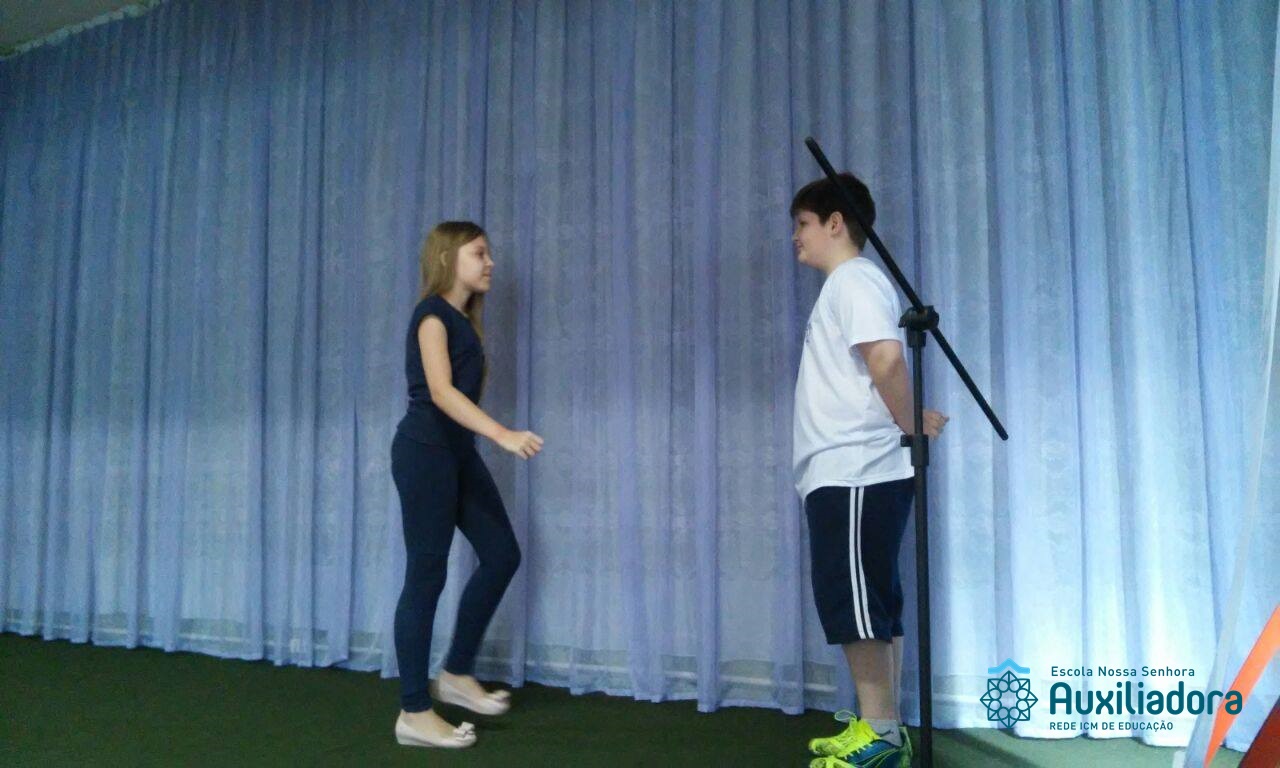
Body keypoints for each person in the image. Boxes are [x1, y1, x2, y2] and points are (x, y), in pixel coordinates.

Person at [790, 175, 948, 768]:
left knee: (855, 601)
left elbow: (885, 358)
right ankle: (882, 727)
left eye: (804, 224)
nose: (796, 237)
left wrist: (907, 423)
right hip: (852, 468)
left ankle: (880, 736)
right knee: (871, 599)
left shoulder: (854, 279)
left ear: (836, 223)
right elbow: (876, 371)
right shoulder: (852, 285)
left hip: (854, 469)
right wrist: (909, 418)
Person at [390, 221, 543, 749]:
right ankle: (414, 711)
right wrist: (502, 434)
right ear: (447, 258)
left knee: (501, 555)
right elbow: (439, 391)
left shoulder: (462, 321)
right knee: (426, 577)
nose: (490, 261)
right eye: (479, 253)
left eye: (489, 253)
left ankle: (455, 673)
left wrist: (483, 440)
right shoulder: (432, 315)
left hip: (456, 455)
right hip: (424, 455)